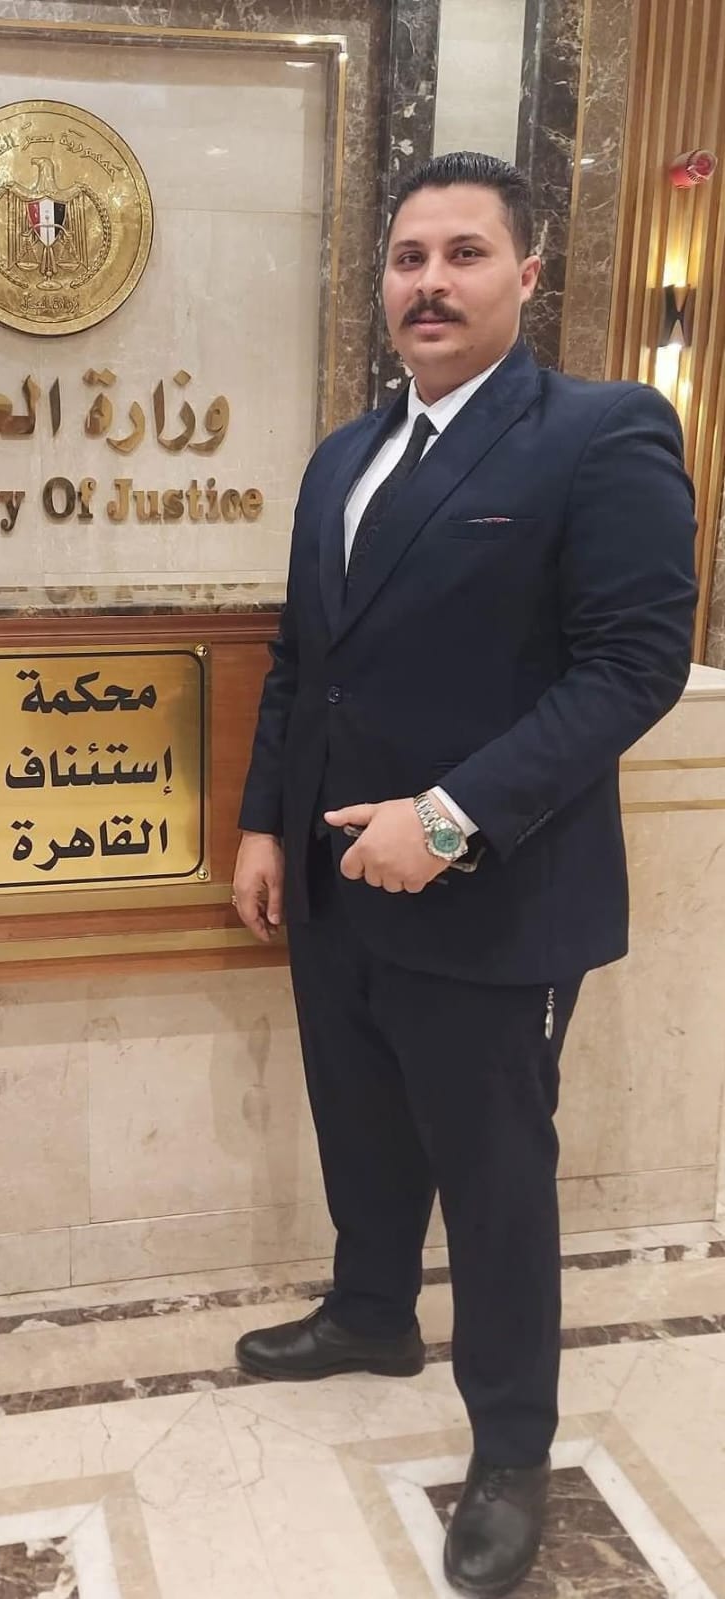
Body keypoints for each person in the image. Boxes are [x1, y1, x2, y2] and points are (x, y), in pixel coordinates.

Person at [231, 151, 698, 1597]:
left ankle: (510, 1447)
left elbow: (634, 666)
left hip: (494, 889)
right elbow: (301, 661)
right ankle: (372, 1311)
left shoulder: (604, 434)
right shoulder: (343, 458)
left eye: (464, 254)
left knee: (497, 1179)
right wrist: (263, 823)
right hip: (332, 879)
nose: (429, 282)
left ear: (527, 274)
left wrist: (446, 821)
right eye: (408, 257)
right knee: (360, 1121)